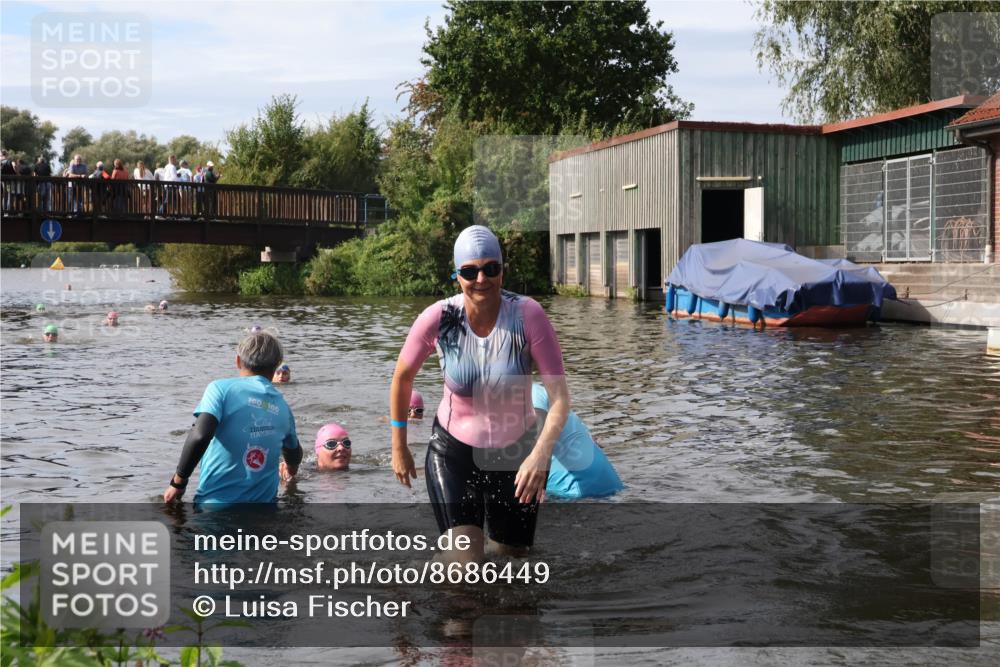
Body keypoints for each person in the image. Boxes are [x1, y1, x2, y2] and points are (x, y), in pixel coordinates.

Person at [390, 225, 570, 562]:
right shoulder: (439, 318)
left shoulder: (528, 315)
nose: (481, 279)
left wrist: (540, 455)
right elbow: (402, 378)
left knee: (513, 566)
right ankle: (450, 593)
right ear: (456, 275)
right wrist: (399, 445)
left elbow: (560, 398)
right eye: (470, 271)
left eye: (491, 268)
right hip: (453, 453)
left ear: (502, 271)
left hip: (516, 459)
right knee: (465, 565)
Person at [163, 332, 302, 504]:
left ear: (238, 361)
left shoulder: (220, 389)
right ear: (276, 367)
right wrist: (291, 470)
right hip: (265, 512)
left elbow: (200, 435)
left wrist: (178, 482)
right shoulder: (283, 407)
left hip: (215, 507)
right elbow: (294, 454)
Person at [532, 383, 623, 499]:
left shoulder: (532, 393)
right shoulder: (546, 397)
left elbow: (537, 427)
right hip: (610, 485)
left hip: (576, 490)